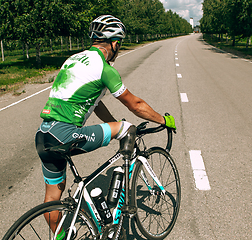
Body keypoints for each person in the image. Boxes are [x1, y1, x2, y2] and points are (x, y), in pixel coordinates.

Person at [35, 15, 176, 239]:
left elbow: (95, 103)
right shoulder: (104, 68)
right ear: (115, 43)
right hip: (66, 134)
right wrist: (163, 120)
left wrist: (115, 126)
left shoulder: (73, 60)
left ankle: (61, 237)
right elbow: (136, 105)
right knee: (128, 128)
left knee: (53, 197)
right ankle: (122, 204)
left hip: (45, 135)